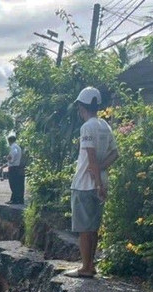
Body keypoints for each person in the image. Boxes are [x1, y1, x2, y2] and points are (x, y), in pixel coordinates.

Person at [65, 87, 118, 278]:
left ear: (82, 106)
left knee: (84, 230)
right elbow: (115, 153)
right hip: (99, 181)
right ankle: (90, 265)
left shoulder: (87, 127)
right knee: (93, 227)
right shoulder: (105, 125)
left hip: (85, 184)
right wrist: (102, 173)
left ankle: (85, 267)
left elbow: (91, 158)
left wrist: (97, 183)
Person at [6, 135, 25, 204]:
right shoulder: (18, 147)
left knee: (13, 184)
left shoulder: (13, 147)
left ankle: (15, 200)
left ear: (9, 141)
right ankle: (18, 199)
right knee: (18, 184)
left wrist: (9, 158)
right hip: (17, 167)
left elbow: (13, 154)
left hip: (13, 167)